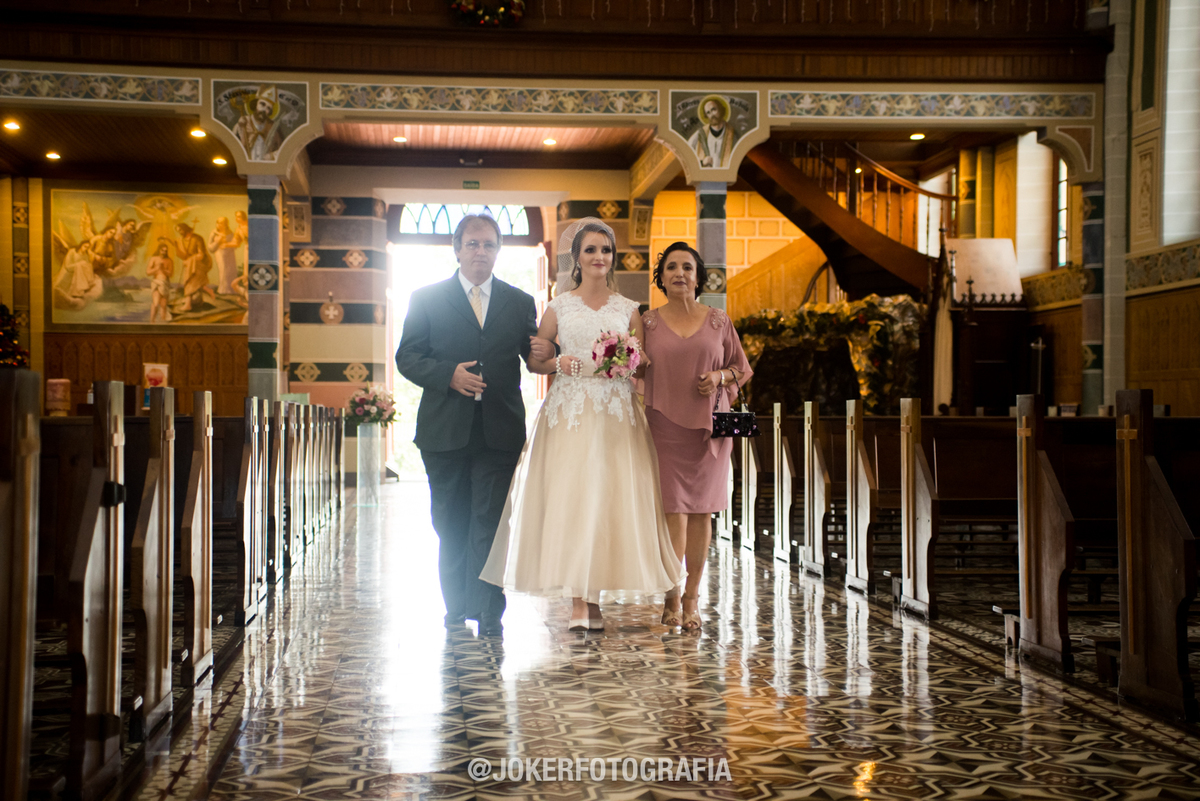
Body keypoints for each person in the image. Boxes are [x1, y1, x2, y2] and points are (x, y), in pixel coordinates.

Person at [481, 219, 683, 632]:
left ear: (612, 259)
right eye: (591, 250)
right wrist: (558, 362)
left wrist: (630, 360)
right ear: (577, 258)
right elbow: (536, 359)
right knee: (573, 499)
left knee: (608, 499)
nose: (599, 258)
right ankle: (580, 602)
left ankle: (598, 594)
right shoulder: (559, 306)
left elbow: (641, 362)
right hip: (571, 411)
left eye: (605, 251)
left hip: (614, 413)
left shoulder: (628, 310)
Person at [396, 214, 553, 638]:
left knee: (489, 522)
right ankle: (455, 606)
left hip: (500, 432)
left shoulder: (520, 302)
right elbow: (407, 357)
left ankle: (488, 611)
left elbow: (535, 357)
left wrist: (557, 351)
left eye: (488, 244)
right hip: (444, 431)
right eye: (472, 244)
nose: (480, 251)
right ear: (458, 249)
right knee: (450, 520)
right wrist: (448, 374)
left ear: (498, 251)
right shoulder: (426, 298)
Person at [641, 242, 752, 631]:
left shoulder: (719, 321)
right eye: (671, 267)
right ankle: (670, 596)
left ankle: (692, 599)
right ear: (662, 277)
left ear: (698, 276)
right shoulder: (647, 323)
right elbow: (632, 370)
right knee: (673, 512)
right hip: (663, 427)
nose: (679, 274)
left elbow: (742, 369)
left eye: (687, 267)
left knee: (702, 512)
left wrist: (719, 377)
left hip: (711, 430)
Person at [687, 95, 741, 169]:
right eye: (708, 113)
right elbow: (686, 155)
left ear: (720, 109)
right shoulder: (699, 134)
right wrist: (702, 162)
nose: (712, 115)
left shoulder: (733, 134)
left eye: (714, 109)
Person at [208, 216, 242, 294]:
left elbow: (235, 245)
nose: (220, 224)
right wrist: (217, 242)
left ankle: (232, 290)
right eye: (218, 222)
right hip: (220, 254)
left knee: (231, 270)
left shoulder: (230, 233)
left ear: (226, 224)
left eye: (222, 223)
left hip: (230, 254)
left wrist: (228, 245)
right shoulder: (214, 233)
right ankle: (223, 290)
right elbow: (210, 248)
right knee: (223, 270)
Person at [146, 242, 174, 323]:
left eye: (166, 251)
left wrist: (163, 269)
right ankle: (152, 321)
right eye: (162, 250)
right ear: (159, 250)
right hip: (156, 283)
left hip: (165, 283)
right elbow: (148, 272)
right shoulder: (154, 259)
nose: (164, 252)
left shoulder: (169, 260)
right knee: (155, 303)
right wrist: (157, 268)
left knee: (163, 305)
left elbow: (171, 274)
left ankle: (162, 322)